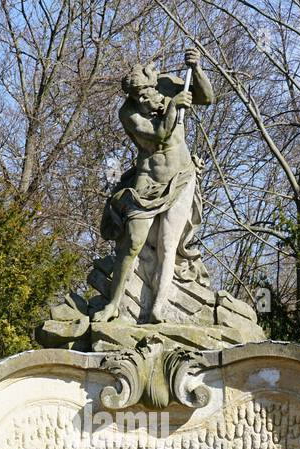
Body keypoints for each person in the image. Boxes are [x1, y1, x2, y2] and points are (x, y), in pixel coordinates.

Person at [94, 50, 214, 326]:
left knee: (167, 244)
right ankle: (114, 304)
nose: (143, 100)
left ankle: (158, 308)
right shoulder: (128, 112)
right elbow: (160, 137)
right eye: (136, 97)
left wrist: (196, 70)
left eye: (145, 94)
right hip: (148, 181)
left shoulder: (169, 85)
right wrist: (174, 107)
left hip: (181, 176)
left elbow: (207, 97)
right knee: (133, 242)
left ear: (152, 85)